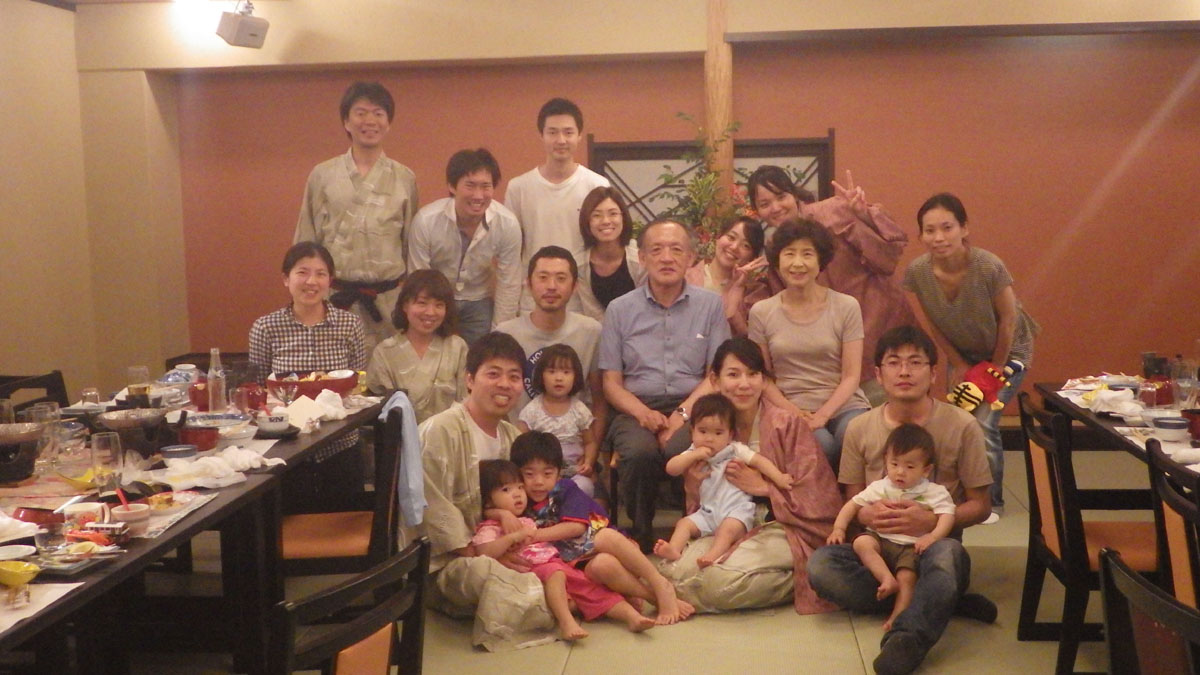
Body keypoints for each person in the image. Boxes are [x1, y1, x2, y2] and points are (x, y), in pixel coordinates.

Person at [807, 325, 996, 675]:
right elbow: (853, 501)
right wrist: (868, 516)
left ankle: (907, 637)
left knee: (948, 558)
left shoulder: (962, 425)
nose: (905, 372)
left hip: (933, 547)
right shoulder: (859, 428)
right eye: (894, 363)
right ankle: (938, 599)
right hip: (879, 552)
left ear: (933, 373)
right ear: (879, 374)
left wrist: (931, 522)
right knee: (821, 566)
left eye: (915, 362)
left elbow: (981, 506)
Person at [655, 337, 842, 614]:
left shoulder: (786, 424)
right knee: (674, 571)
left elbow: (820, 499)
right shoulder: (707, 430)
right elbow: (699, 502)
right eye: (733, 374)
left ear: (764, 380)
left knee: (718, 583)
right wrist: (693, 484)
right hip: (723, 522)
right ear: (715, 380)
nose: (744, 384)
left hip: (781, 525)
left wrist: (764, 488)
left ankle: (802, 580)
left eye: (753, 374)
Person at [418, 331, 557, 651]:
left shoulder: (512, 437)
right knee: (487, 573)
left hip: (508, 544)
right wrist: (480, 551)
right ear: (469, 379)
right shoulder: (440, 430)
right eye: (493, 374)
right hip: (455, 560)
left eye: (514, 377)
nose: (505, 384)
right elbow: (429, 503)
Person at [599, 218, 731, 551]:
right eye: (656, 250)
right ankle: (641, 536)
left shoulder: (710, 305)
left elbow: (716, 375)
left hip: (695, 404)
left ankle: (697, 530)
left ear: (691, 258)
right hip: (635, 407)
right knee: (640, 452)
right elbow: (611, 383)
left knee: (684, 448)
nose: (667, 258)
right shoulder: (619, 309)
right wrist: (643, 414)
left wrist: (681, 415)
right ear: (642, 257)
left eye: (676, 249)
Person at [904, 192, 1038, 519]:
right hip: (963, 354)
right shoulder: (918, 272)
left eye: (947, 227)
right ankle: (960, 495)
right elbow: (934, 324)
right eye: (930, 230)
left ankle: (991, 504)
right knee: (959, 421)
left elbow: (1009, 320)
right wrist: (959, 364)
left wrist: (995, 368)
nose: (939, 237)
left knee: (983, 422)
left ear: (964, 228)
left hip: (1008, 352)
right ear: (921, 235)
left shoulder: (988, 265)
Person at [747, 166, 914, 403]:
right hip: (832, 354)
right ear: (757, 211)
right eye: (765, 204)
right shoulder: (776, 248)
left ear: (794, 194)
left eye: (781, 197)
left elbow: (890, 253)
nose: (775, 208)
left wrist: (863, 214)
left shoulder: (834, 211)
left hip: (882, 326)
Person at [501, 431, 693, 624]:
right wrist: (502, 514)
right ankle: (652, 597)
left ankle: (659, 583)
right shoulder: (518, 501)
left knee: (605, 536)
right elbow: (491, 504)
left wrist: (533, 535)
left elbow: (576, 528)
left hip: (622, 552)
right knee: (603, 565)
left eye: (547, 474)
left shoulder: (565, 489)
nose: (538, 482)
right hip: (586, 567)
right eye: (529, 474)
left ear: (559, 473)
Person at [295, 81, 417, 353]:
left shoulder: (404, 178)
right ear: (346, 122)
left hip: (387, 302)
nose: (370, 121)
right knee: (332, 373)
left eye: (378, 113)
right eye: (361, 113)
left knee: (388, 372)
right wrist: (304, 293)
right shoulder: (323, 175)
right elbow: (306, 241)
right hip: (335, 298)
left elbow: (411, 245)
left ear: (388, 122)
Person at [471, 459, 654, 640]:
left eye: (519, 487)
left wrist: (504, 514)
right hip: (539, 568)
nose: (517, 494)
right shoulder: (490, 527)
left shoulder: (527, 516)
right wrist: (510, 535)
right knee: (557, 575)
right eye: (506, 490)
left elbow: (574, 529)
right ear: (488, 501)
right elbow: (483, 551)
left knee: (592, 589)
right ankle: (567, 623)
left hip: (561, 562)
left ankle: (632, 616)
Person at [749, 218, 871, 471]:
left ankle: (860, 497)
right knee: (820, 445)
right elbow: (763, 377)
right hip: (790, 407)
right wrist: (794, 412)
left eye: (807, 254)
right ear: (777, 260)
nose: (798, 263)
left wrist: (824, 415)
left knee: (854, 434)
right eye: (789, 254)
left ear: (820, 261)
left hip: (844, 405)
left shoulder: (846, 306)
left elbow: (851, 375)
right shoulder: (761, 312)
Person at [248, 241, 366, 502]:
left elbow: (357, 382)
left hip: (340, 443)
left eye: (320, 274)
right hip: (287, 447)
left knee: (345, 517)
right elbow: (259, 390)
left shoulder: (349, 324)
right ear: (286, 279)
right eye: (302, 272)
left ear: (330, 281)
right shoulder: (265, 327)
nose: (311, 281)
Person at [827, 423, 956, 631]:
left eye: (910, 467)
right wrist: (839, 528)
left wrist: (933, 536)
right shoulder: (880, 487)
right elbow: (852, 504)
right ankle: (886, 579)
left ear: (926, 470)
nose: (900, 472)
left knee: (907, 577)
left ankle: (899, 615)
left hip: (910, 546)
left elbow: (947, 515)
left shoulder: (934, 492)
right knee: (861, 543)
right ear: (886, 461)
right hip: (880, 540)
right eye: (894, 464)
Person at [655, 393, 793, 568]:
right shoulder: (692, 452)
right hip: (707, 512)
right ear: (692, 431)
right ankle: (674, 549)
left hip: (736, 512)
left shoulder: (735, 449)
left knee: (726, 530)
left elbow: (759, 461)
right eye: (702, 431)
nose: (709, 438)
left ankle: (713, 554)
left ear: (730, 435)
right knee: (684, 524)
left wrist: (779, 477)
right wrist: (693, 455)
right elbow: (671, 468)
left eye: (718, 433)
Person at [408, 148, 522, 346]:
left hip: (479, 300)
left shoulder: (507, 224)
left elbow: (509, 283)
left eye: (486, 186)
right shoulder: (426, 221)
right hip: (436, 300)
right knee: (434, 356)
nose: (478, 195)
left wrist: (500, 334)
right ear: (452, 186)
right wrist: (427, 314)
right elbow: (418, 278)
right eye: (470, 186)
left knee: (481, 357)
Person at [505, 97, 610, 310]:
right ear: (541, 135)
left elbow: (606, 245)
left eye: (568, 132)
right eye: (552, 132)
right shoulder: (519, 188)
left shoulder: (597, 185)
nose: (561, 140)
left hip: (583, 299)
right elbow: (510, 253)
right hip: (533, 301)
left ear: (579, 135)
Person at [496, 246, 606, 437]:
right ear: (528, 284)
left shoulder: (591, 331)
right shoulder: (505, 334)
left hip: (574, 444)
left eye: (561, 278)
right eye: (543, 277)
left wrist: (592, 447)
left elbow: (600, 399)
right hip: (519, 443)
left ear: (575, 286)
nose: (551, 286)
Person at [365, 268, 467, 424]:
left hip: (449, 435)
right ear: (405, 305)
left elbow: (466, 403)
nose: (430, 312)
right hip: (401, 436)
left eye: (439, 305)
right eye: (422, 303)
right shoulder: (384, 352)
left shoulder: (457, 347)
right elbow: (380, 411)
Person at [518, 344, 598, 496]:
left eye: (566, 372)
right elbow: (521, 446)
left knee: (585, 487)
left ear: (576, 377)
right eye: (552, 371)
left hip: (574, 472)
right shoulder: (531, 411)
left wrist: (588, 463)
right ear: (541, 375)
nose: (559, 378)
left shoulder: (580, 410)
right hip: (542, 475)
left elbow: (590, 442)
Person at [569, 186, 645, 321]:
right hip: (599, 329)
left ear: (623, 217)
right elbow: (592, 314)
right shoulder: (578, 264)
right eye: (596, 215)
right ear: (587, 221)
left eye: (613, 214)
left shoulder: (641, 258)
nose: (606, 221)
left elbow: (646, 307)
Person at [685, 215, 767, 336]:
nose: (734, 247)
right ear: (718, 237)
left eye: (746, 246)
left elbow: (747, 337)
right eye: (731, 237)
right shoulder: (684, 277)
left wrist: (736, 288)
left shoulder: (754, 293)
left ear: (753, 258)